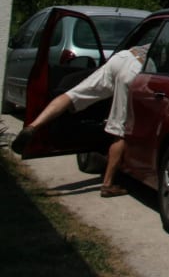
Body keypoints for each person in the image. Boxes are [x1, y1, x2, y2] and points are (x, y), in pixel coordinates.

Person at [10, 42, 149, 197]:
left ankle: (33, 126)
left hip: (122, 57)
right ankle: (108, 185)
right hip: (136, 69)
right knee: (120, 129)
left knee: (73, 95)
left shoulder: (162, 33)